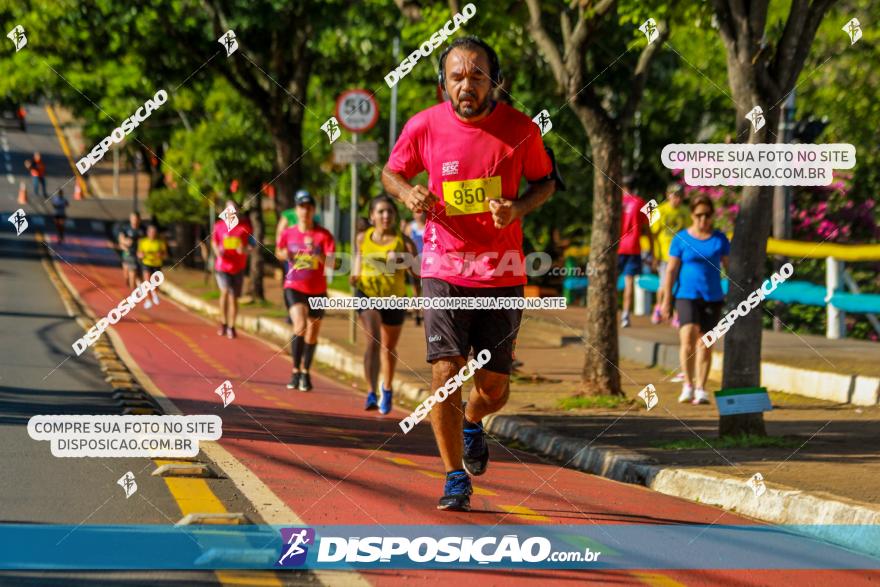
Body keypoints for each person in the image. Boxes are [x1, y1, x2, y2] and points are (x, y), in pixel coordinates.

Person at [382, 36, 556, 511]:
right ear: (443, 83)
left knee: (493, 389)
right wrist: (407, 194)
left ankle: (474, 421)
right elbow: (391, 172)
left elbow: (547, 183)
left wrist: (517, 207)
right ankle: (454, 476)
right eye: (457, 75)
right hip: (443, 266)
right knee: (445, 372)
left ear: (494, 82)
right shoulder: (424, 126)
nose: (467, 84)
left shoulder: (520, 129)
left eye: (477, 75)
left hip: (501, 272)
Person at [352, 195, 420, 414]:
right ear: (372, 216)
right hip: (367, 294)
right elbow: (359, 258)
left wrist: (400, 260)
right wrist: (355, 274)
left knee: (388, 347)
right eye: (380, 212)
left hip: (394, 298)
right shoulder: (363, 238)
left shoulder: (405, 242)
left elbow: (417, 272)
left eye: (390, 211)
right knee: (373, 339)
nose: (385, 216)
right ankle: (371, 392)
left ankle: (387, 388)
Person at [660, 194, 730, 405]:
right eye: (699, 215)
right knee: (688, 338)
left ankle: (701, 387)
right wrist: (665, 300)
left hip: (713, 296)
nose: (703, 219)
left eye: (707, 215)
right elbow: (671, 270)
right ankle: (688, 385)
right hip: (686, 295)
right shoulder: (680, 238)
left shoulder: (720, 239)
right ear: (692, 215)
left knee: (706, 343)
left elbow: (729, 267)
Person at [275, 190, 334, 391]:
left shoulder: (323, 235)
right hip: (294, 286)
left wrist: (318, 254)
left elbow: (333, 264)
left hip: (317, 289)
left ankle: (306, 372)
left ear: (313, 210)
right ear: (296, 209)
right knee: (299, 325)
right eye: (301, 207)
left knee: (312, 333)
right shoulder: (288, 232)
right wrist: (285, 254)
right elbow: (279, 251)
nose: (305, 211)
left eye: (308, 207)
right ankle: (295, 370)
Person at [212, 199, 253, 339]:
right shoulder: (218, 226)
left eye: (234, 210)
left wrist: (244, 250)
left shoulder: (245, 228)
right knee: (226, 292)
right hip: (222, 266)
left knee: (234, 297)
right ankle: (223, 322)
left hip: (238, 267)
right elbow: (214, 242)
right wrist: (217, 252)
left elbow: (252, 246)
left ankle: (231, 326)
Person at [617, 178, 655, 328]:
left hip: (617, 248)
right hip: (633, 247)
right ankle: (625, 315)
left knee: (611, 282)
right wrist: (652, 249)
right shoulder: (640, 203)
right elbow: (647, 229)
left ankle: (611, 310)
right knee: (629, 283)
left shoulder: (616, 202)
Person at [651, 183, 690, 325]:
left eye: (680, 196)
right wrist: (654, 254)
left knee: (679, 284)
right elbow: (653, 235)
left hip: (681, 256)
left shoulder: (685, 211)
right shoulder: (660, 211)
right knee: (664, 284)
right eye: (674, 196)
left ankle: (676, 313)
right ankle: (659, 307)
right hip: (664, 255)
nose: (677, 200)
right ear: (668, 195)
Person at [137, 222, 167, 309]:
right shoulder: (143, 242)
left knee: (155, 284)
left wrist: (160, 255)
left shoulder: (160, 242)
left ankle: (155, 293)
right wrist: (140, 255)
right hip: (146, 263)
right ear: (148, 233)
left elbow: (165, 254)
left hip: (157, 264)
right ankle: (148, 300)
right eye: (150, 232)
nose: (152, 234)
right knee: (147, 282)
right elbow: (139, 253)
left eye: (154, 232)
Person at [118, 212, 144, 289]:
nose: (134, 221)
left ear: (139, 220)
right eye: (133, 219)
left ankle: (134, 291)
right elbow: (121, 240)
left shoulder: (143, 230)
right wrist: (125, 241)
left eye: (136, 219)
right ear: (130, 219)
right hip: (128, 253)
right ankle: (129, 281)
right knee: (127, 275)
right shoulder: (126, 229)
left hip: (138, 254)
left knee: (134, 273)